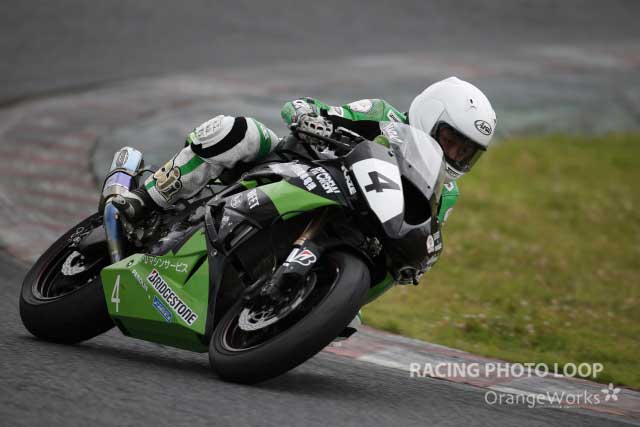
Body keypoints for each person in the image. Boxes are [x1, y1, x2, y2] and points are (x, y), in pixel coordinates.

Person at [113, 76, 496, 231]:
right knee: (239, 131)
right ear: (431, 115)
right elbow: (308, 107)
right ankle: (147, 200)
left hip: (340, 228)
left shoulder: (445, 193)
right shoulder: (382, 116)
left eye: (465, 152)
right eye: (450, 140)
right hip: (293, 170)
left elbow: (417, 237)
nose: (453, 154)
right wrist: (308, 117)